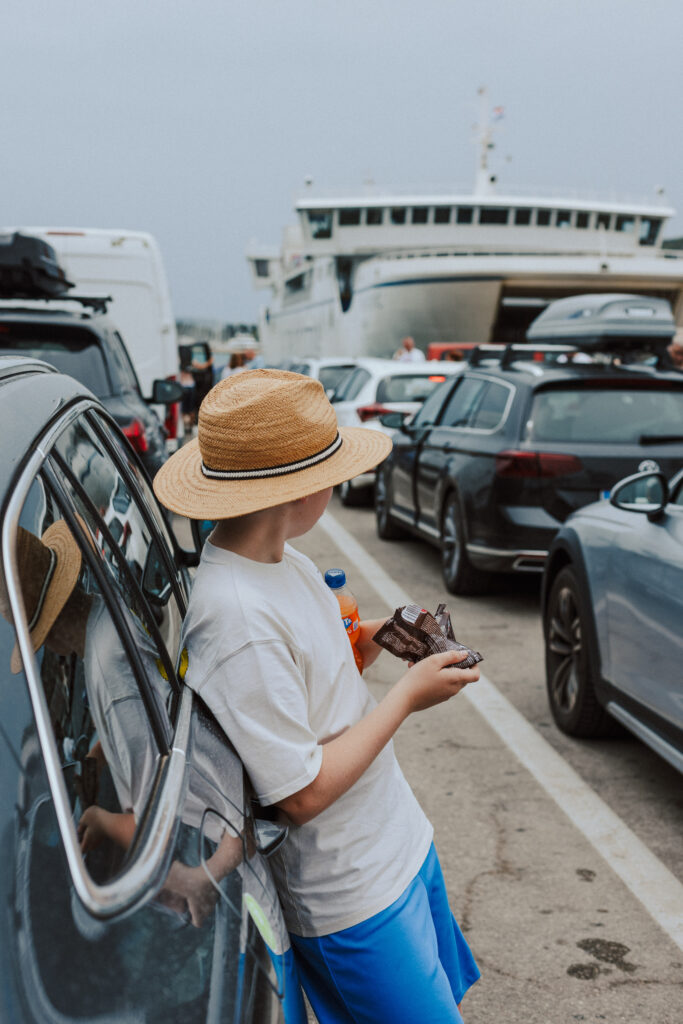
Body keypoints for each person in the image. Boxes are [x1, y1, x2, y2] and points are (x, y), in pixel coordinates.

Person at [153, 369, 481, 1023]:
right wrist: (407, 697)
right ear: (296, 492)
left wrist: (362, 643)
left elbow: (306, 692)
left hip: (395, 844)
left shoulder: (281, 558)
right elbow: (298, 794)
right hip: (349, 895)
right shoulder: (235, 617)